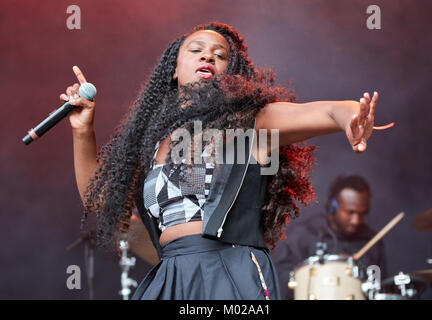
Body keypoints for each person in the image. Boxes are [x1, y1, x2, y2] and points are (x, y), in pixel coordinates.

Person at [60, 22, 380, 300]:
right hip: (171, 274)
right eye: (196, 49)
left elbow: (328, 110)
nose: (208, 55)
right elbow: (101, 204)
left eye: (220, 54)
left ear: (232, 73)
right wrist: (82, 131)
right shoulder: (151, 144)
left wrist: (353, 116)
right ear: (173, 69)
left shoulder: (249, 126)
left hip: (229, 272)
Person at [272, 174, 387, 300]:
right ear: (333, 206)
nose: (356, 220)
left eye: (362, 213)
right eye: (350, 212)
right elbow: (280, 282)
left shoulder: (372, 241)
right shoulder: (303, 235)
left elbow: (381, 288)